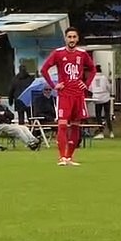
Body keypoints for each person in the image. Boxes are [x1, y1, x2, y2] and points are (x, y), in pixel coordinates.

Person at [39, 27, 95, 166]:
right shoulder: (58, 53)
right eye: (69, 37)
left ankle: (69, 157)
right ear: (65, 38)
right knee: (63, 125)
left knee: (76, 126)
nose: (72, 40)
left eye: (74, 37)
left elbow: (92, 69)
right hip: (64, 94)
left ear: (77, 38)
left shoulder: (82, 54)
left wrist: (86, 84)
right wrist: (54, 85)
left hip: (78, 95)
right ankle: (62, 157)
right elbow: (44, 69)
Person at [87, 65, 113, 139]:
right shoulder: (104, 78)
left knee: (98, 115)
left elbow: (90, 88)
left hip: (97, 99)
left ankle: (101, 132)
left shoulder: (92, 78)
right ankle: (111, 132)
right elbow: (109, 87)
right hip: (105, 97)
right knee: (107, 115)